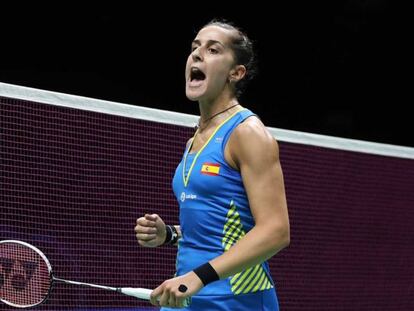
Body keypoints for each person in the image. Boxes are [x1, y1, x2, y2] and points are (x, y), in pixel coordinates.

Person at [135, 19, 290, 310]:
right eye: (195, 48)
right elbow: (217, 227)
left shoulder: (247, 133)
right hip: (186, 297)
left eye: (213, 49)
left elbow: (276, 230)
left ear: (236, 72)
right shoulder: (196, 139)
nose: (197, 55)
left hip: (235, 300)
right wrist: (168, 234)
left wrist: (200, 276)